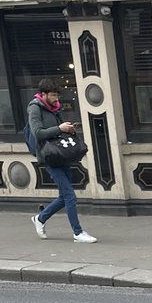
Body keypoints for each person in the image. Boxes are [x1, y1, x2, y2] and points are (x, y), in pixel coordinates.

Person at [27, 78, 96, 244]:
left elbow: (56, 132)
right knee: (70, 196)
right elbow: (38, 132)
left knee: (64, 196)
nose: (56, 98)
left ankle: (40, 219)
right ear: (43, 94)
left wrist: (68, 128)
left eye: (57, 95)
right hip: (49, 157)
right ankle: (78, 233)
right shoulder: (35, 108)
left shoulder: (53, 108)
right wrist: (59, 128)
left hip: (60, 154)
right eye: (52, 95)